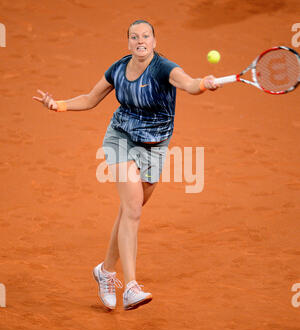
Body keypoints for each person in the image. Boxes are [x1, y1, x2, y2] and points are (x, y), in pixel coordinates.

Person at [33, 19, 220, 311]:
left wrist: (204, 84)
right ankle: (131, 287)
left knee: (129, 212)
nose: (140, 41)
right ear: (129, 42)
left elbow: (189, 84)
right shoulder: (118, 69)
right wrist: (59, 104)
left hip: (155, 147)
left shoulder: (164, 69)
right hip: (120, 138)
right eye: (134, 37)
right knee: (132, 208)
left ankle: (105, 272)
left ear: (155, 42)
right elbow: (91, 98)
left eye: (146, 36)